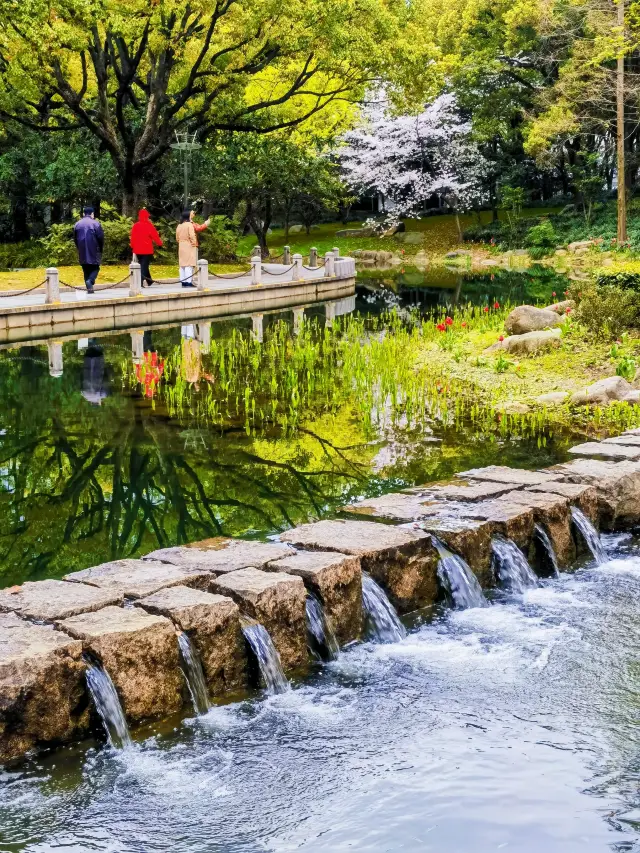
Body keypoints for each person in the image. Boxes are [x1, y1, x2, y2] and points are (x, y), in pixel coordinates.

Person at [73, 207, 104, 293]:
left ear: (83, 214)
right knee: (95, 267)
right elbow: (100, 238)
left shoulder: (77, 224)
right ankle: (90, 281)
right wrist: (100, 249)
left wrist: (78, 247)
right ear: (92, 214)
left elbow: (75, 238)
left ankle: (89, 289)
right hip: (94, 249)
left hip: (82, 249)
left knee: (85, 268)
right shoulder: (96, 224)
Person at [130, 209, 163, 287]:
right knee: (144, 266)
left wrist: (132, 246)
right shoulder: (149, 225)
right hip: (146, 249)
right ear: (147, 216)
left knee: (143, 265)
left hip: (137, 249)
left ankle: (149, 280)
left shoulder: (136, 225)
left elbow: (133, 237)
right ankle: (140, 282)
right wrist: (160, 244)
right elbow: (155, 236)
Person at [175, 210, 198, 287]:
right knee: (189, 264)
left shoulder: (179, 225)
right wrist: (194, 243)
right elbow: (192, 236)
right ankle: (188, 282)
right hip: (188, 244)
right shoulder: (189, 225)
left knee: (182, 265)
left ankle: (183, 281)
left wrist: (181, 242)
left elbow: (177, 238)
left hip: (181, 245)